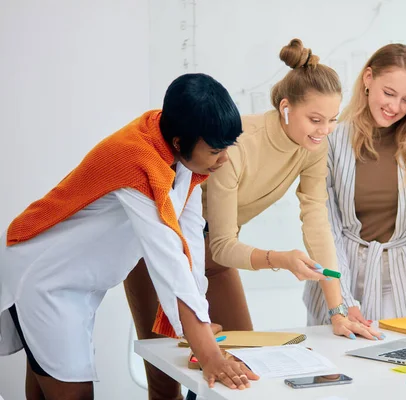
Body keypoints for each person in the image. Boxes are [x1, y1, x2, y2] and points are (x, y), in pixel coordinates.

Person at [125, 38, 383, 400]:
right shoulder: (236, 145)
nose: (324, 129)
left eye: (331, 120)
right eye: (315, 119)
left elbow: (316, 221)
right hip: (160, 254)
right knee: (168, 380)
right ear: (285, 108)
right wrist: (279, 259)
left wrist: (336, 308)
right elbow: (223, 243)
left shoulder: (314, 146)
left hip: (211, 255)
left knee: (247, 368)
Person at [0, 73, 258, 400]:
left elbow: (189, 246)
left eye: (228, 147)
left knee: (45, 385)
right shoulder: (136, 160)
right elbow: (168, 261)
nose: (224, 159)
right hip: (43, 277)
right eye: (215, 151)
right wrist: (209, 355)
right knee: (75, 394)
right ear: (180, 143)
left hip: (71, 282)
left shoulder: (184, 158)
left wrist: (202, 327)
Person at [303, 43, 406, 325]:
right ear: (368, 78)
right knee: (334, 364)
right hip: (339, 273)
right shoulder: (332, 138)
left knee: (393, 362)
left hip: (399, 281)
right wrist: (342, 301)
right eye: (389, 93)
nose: (395, 107)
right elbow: (326, 228)